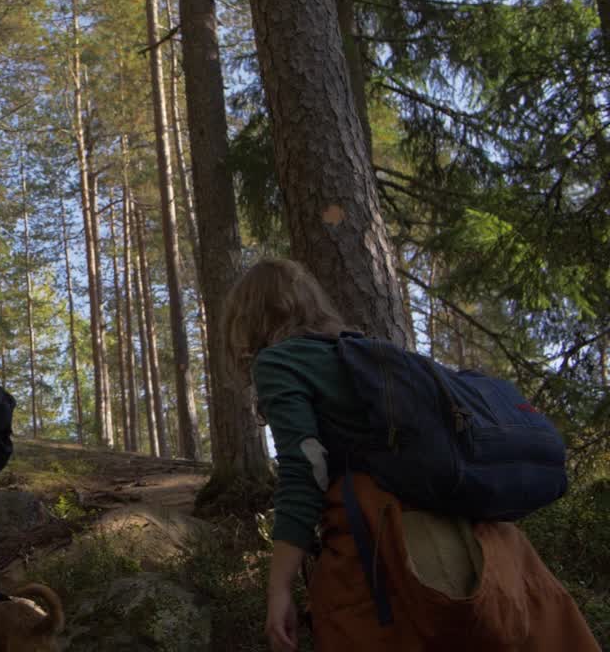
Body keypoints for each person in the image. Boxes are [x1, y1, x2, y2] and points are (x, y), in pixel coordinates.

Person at [222, 258, 599, 652]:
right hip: (488, 541)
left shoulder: (279, 361)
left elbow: (305, 471)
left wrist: (278, 589)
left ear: (248, 320)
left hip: (393, 550)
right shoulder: (361, 351)